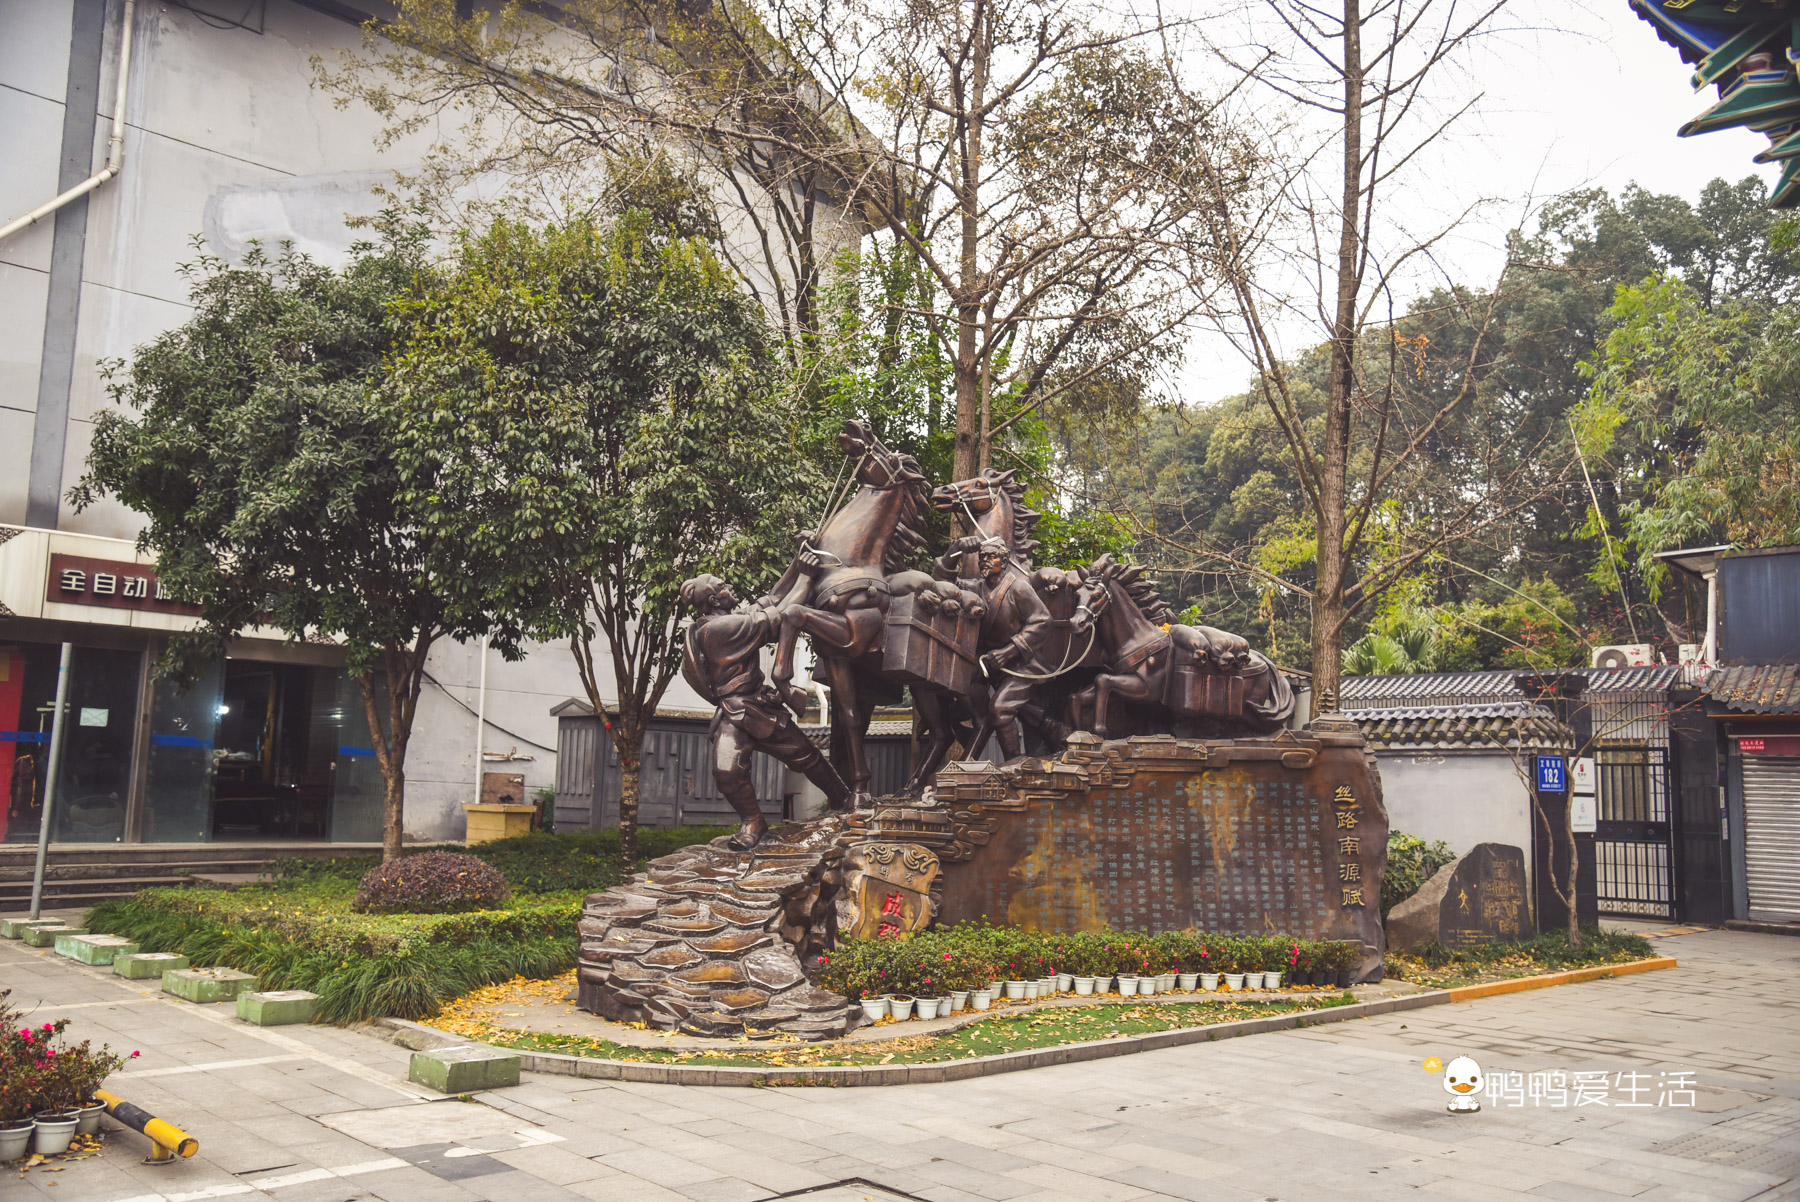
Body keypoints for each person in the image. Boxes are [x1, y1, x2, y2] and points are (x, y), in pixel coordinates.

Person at [680, 574, 850, 850]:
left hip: (759, 706)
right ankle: (754, 822)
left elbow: (771, 600)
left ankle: (842, 798)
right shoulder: (719, 629)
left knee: (806, 756)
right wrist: (805, 576)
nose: (729, 585)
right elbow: (782, 615)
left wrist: (798, 565)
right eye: (722, 586)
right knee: (726, 771)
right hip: (734, 712)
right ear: (714, 600)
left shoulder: (731, 619)